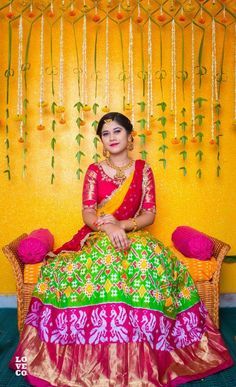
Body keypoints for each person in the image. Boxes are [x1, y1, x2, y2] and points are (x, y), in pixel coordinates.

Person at [10, 112, 233, 386]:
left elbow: (150, 214)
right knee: (101, 264)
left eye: (117, 131)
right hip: (98, 235)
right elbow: (88, 213)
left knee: (146, 263)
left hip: (134, 234)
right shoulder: (95, 170)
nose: (112, 137)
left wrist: (122, 225)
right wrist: (108, 228)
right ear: (102, 141)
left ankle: (144, 351)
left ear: (130, 137)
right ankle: (101, 352)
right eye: (106, 133)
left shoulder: (143, 170)